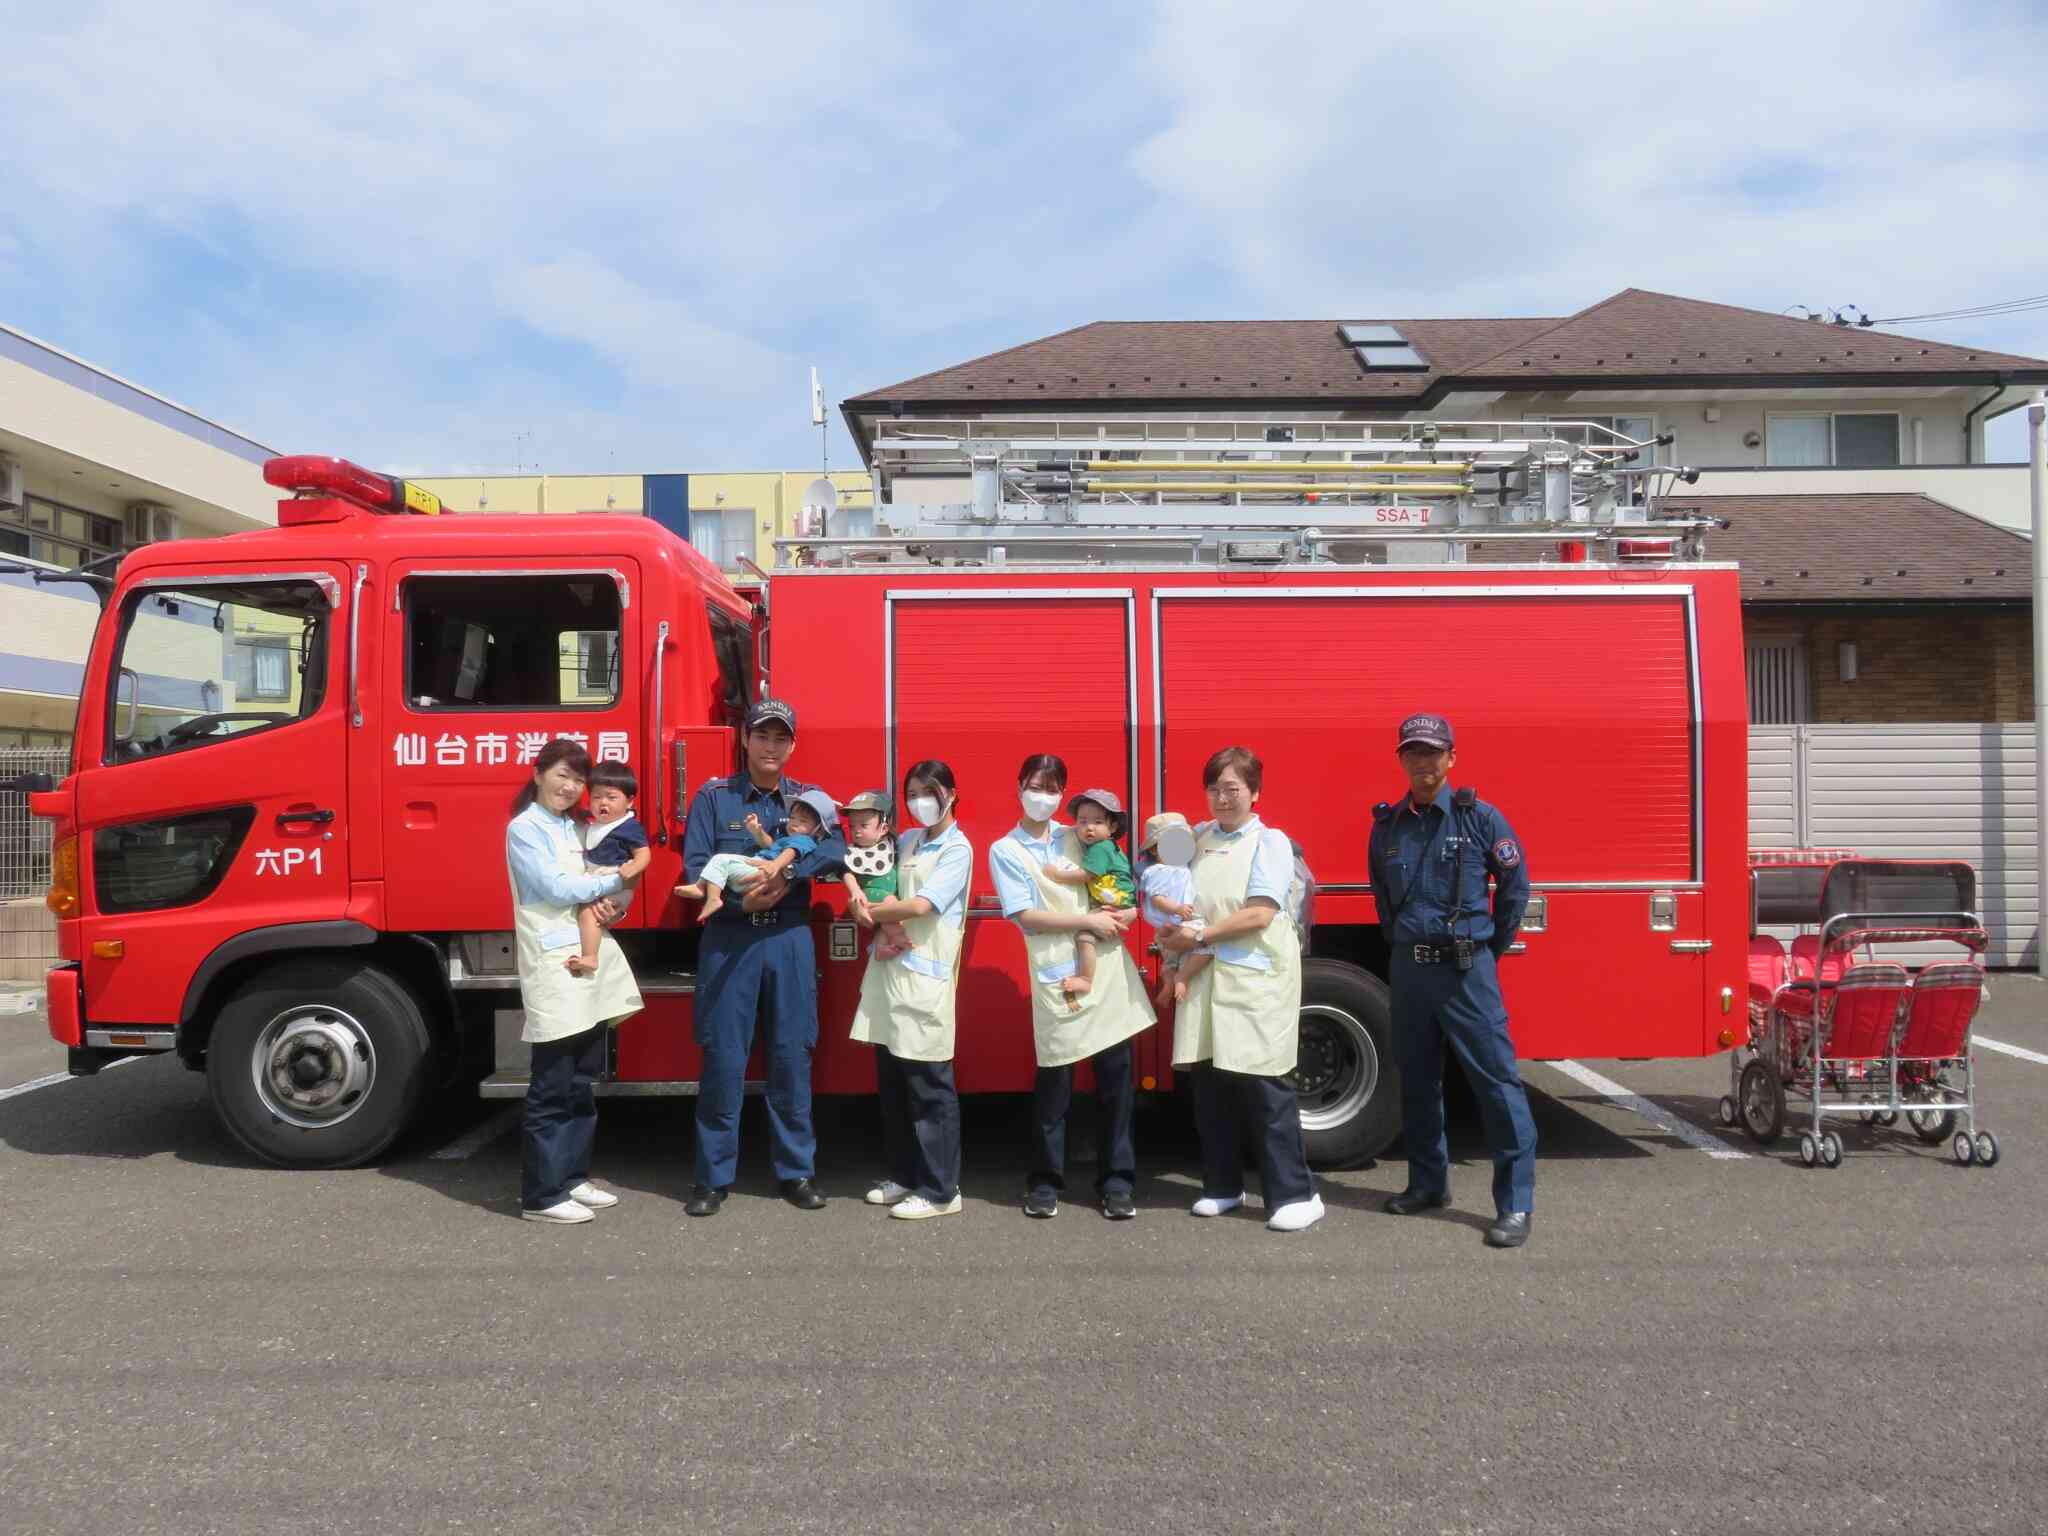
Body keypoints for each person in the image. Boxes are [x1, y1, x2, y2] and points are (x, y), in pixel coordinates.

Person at [1369, 712, 1537, 1249]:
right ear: (1401, 759)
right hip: (1410, 970)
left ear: (1451, 758)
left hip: (1467, 970)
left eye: (1433, 752)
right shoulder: (1387, 826)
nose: (1423, 762)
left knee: (1497, 1084)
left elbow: (1515, 888)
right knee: (1417, 1082)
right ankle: (1427, 1183)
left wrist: (1491, 947)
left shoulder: (1480, 819)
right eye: (1413, 752)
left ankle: (1514, 1204)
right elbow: (1383, 898)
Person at [677, 699, 845, 1216]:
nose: (772, 746)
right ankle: (711, 1178)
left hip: (789, 938)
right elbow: (697, 865)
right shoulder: (715, 797)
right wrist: (739, 900)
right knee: (724, 1058)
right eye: (763, 736)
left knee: (792, 1056)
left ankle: (796, 1171)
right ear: (745, 739)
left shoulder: (809, 799)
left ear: (792, 746)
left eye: (781, 738)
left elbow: (837, 849)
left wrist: (788, 871)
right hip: (731, 938)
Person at [1160, 746, 1323, 1233]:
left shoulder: (1270, 843)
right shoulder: (1197, 837)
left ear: (1255, 793)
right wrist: (1171, 945)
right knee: (1211, 1086)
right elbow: (1171, 895)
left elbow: (1260, 912)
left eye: (1233, 788)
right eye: (1214, 788)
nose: (1223, 798)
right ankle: (1222, 1185)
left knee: (1265, 1085)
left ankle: (1297, 1193)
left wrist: (1200, 935)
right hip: (1204, 976)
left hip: (1256, 981)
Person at [988, 754, 1155, 1221]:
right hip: (1056, 975)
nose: (1043, 795)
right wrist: (1086, 918)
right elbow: (1026, 916)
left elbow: (1115, 878)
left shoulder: (1079, 833)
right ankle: (1045, 1182)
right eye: (1035, 785)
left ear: (1064, 794)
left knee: (1116, 1084)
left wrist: (1127, 909)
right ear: (1019, 786)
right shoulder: (1006, 849)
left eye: (1053, 787)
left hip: (1105, 970)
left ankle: (1118, 1183)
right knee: (1055, 1085)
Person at [505, 738, 644, 1224]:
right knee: (553, 1079)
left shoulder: (570, 826)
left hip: (585, 957)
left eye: (578, 780)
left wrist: (614, 900)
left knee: (581, 1076)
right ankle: (541, 1196)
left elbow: (594, 887)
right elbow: (557, 888)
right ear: (538, 773)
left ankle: (571, 1177)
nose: (570, 787)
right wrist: (618, 879)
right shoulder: (524, 829)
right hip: (553, 963)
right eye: (562, 775)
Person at [848, 761, 974, 1219]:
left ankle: (942, 1190)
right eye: (913, 792)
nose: (921, 799)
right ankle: (905, 1176)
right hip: (889, 977)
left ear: (952, 794)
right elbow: (872, 879)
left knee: (929, 1089)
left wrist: (871, 914)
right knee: (895, 1086)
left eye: (930, 790)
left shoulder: (958, 849)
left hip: (926, 980)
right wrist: (857, 900)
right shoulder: (906, 841)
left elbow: (923, 904)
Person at [677, 788, 835, 922]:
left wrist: (775, 865)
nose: (794, 823)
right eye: (792, 818)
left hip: (759, 873)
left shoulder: (803, 841)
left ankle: (711, 896)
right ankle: (704, 889)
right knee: (721, 861)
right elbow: (769, 844)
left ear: (818, 830)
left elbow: (790, 852)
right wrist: (756, 831)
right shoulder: (788, 838)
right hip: (755, 868)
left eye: (803, 821)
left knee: (720, 860)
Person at [1045, 789, 1137, 1004]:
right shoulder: (1104, 846)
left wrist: (1056, 874)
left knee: (1084, 938)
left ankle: (1085, 978)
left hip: (1115, 906)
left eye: (1097, 822)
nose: (1089, 827)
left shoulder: (1101, 848)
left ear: (1112, 827)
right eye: (1082, 821)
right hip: (1118, 904)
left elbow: (1085, 876)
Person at [567, 760, 651, 977]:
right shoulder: (595, 825)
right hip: (600, 880)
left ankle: (590, 957)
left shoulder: (628, 827)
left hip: (616, 883)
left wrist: (633, 868)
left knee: (588, 913)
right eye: (596, 797)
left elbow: (643, 853)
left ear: (630, 801)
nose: (603, 803)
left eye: (612, 797)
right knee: (588, 913)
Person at [1137, 811, 1210, 1009]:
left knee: (1169, 962)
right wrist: (1177, 908)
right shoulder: (1156, 871)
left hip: (1179, 923)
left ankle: (1171, 979)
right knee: (1207, 948)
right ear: (1154, 851)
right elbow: (1157, 899)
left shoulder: (1182, 867)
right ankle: (1182, 978)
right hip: (1171, 925)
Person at [839, 789, 910, 958]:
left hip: (886, 895)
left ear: (884, 828)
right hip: (870, 894)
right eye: (852, 826)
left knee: (885, 921)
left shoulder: (891, 845)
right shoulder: (853, 853)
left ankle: (880, 947)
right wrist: (855, 890)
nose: (856, 831)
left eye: (863, 825)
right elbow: (847, 873)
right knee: (891, 905)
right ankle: (898, 936)